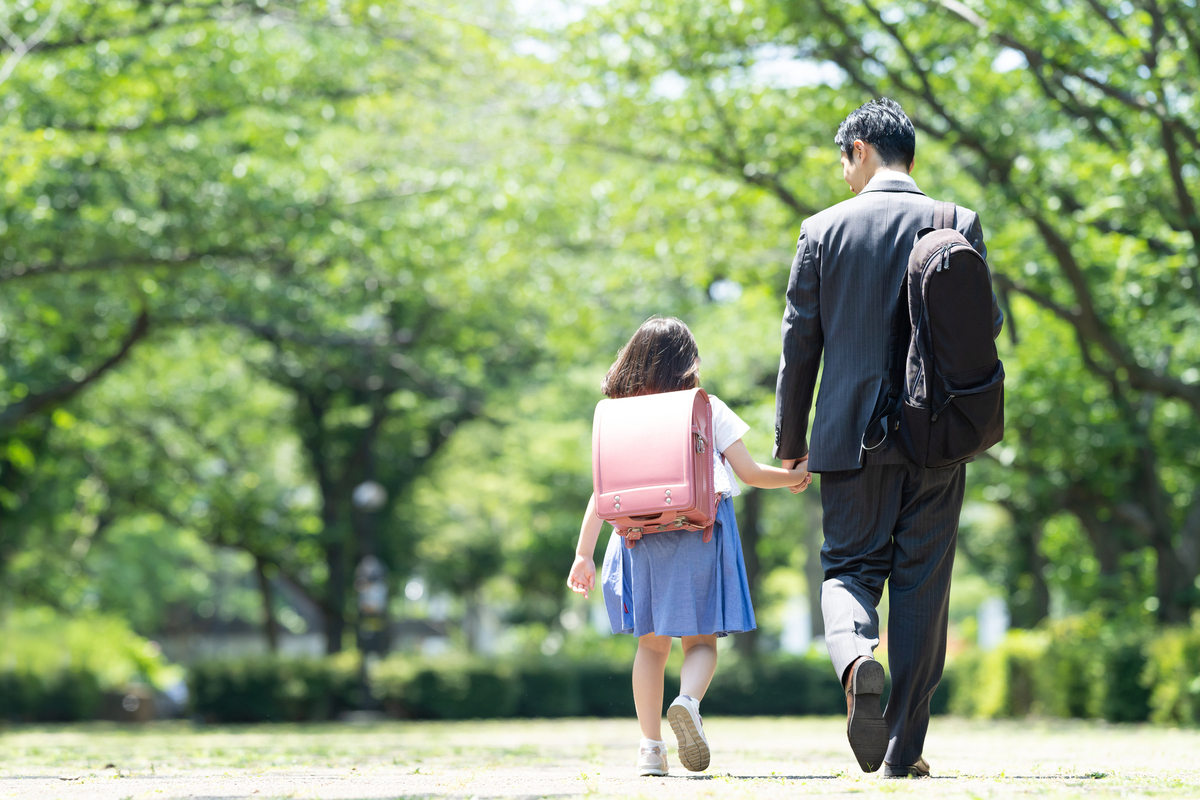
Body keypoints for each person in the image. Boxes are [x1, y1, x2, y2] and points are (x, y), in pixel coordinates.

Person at [773, 98, 1003, 778]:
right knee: (923, 589)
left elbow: (799, 345)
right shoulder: (956, 222)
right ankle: (904, 749)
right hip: (938, 436)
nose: (843, 176)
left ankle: (855, 659)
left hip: (848, 439)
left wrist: (793, 440)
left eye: (844, 161)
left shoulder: (822, 230)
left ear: (862, 150)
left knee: (848, 569)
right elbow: (981, 326)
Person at [568, 316, 811, 778]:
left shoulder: (618, 413)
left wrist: (583, 555)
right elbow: (751, 473)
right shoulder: (705, 407)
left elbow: (601, 492)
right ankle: (688, 702)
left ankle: (650, 751)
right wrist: (796, 477)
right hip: (699, 530)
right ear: (688, 361)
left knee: (651, 646)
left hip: (635, 537)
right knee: (700, 641)